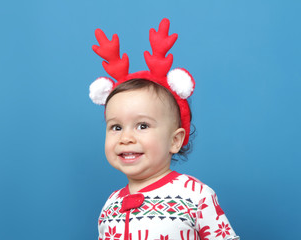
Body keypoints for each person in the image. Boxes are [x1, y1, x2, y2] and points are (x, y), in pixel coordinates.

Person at [89, 18, 240, 240]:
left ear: (175, 140)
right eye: (116, 126)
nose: (126, 137)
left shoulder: (195, 195)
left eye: (142, 125)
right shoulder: (111, 204)